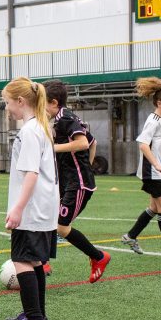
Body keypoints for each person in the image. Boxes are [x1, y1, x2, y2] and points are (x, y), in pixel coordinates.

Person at [0, 77, 58, 320]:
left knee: (21, 259)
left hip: (33, 208)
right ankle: (37, 313)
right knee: (34, 261)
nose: (7, 108)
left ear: (20, 102)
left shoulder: (29, 131)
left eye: (8, 103)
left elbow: (31, 174)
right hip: (44, 207)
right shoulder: (41, 127)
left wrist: (18, 208)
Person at [44, 80, 110, 282]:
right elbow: (93, 142)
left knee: (61, 227)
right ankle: (43, 262)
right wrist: (86, 167)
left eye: (41, 102)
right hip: (68, 182)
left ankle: (99, 257)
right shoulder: (60, 118)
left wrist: (52, 148)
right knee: (50, 220)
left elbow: (82, 142)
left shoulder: (65, 118)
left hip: (78, 184)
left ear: (54, 102)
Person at [122, 77, 161, 258]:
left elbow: (154, 147)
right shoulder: (153, 120)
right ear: (160, 103)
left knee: (154, 207)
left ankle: (130, 236)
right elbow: (143, 144)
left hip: (155, 170)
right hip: (151, 172)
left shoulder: (158, 120)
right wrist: (156, 165)